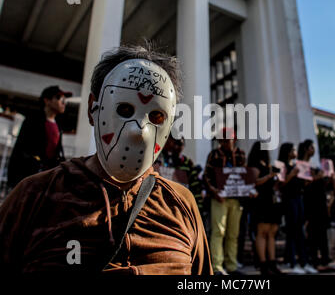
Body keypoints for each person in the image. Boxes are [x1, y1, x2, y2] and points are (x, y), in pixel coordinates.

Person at [0, 44, 212, 274]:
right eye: (124, 109)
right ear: (94, 108)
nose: (139, 130)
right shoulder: (34, 196)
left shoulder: (180, 205)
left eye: (156, 116)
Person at [7, 86, 71, 188]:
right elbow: (21, 150)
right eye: (59, 98)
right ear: (47, 101)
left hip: (47, 178)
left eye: (65, 100)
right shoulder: (33, 121)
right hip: (29, 177)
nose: (64, 103)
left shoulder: (58, 126)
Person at [204, 127, 247, 275]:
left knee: (233, 234)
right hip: (219, 199)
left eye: (226, 140)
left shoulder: (241, 154)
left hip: (236, 200)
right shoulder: (214, 154)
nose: (223, 143)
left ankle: (232, 266)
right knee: (218, 232)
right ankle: (217, 267)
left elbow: (244, 175)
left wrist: (248, 190)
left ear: (233, 140)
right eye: (221, 140)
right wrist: (215, 192)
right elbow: (206, 176)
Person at [279, 142, 317, 274]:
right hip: (289, 200)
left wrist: (307, 179)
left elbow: (302, 184)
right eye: (293, 150)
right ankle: (292, 262)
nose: (295, 152)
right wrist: (291, 174)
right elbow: (280, 184)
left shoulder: (296, 165)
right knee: (292, 230)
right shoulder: (282, 165)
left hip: (298, 198)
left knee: (300, 231)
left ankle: (304, 262)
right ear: (287, 151)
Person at [248, 141, 283, 275]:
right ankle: (263, 263)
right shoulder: (254, 165)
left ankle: (272, 262)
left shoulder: (268, 165)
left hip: (271, 201)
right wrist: (269, 176)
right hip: (260, 201)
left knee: (272, 233)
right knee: (261, 232)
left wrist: (276, 180)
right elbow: (253, 182)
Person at [301, 140, 331, 270]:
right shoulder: (301, 165)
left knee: (322, 234)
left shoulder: (315, 166)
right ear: (306, 149)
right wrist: (316, 178)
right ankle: (314, 260)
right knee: (312, 234)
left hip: (320, 204)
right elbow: (303, 185)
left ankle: (325, 260)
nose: (313, 150)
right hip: (310, 205)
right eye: (311, 147)